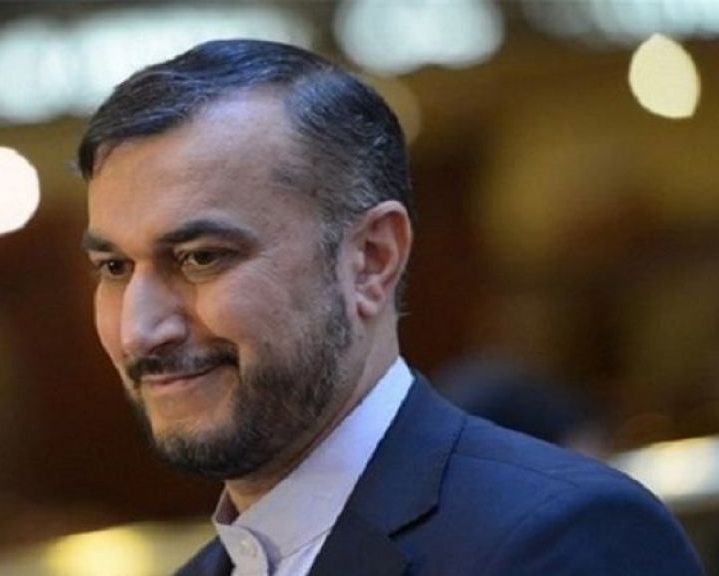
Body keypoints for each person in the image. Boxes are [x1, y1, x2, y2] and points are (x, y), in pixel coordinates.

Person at [76, 39, 703, 576]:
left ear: (370, 259)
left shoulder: (562, 538)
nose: (140, 329)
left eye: (201, 257)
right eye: (115, 268)